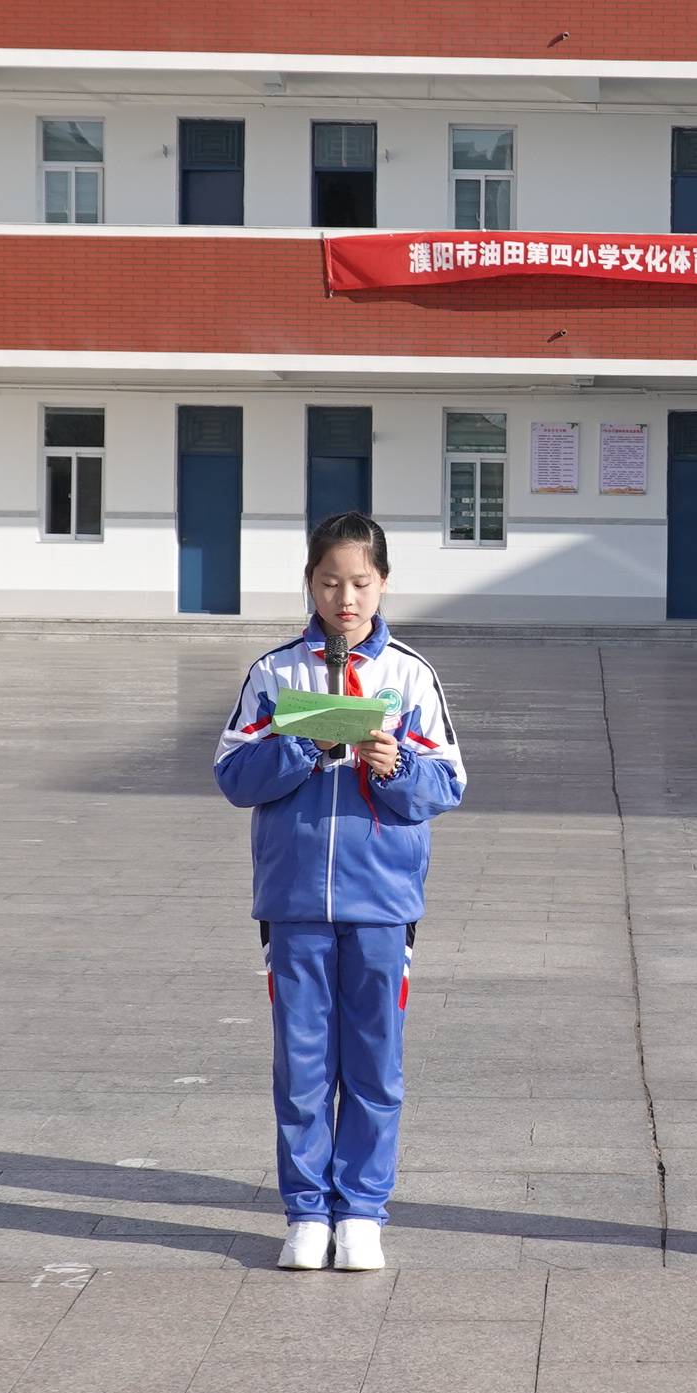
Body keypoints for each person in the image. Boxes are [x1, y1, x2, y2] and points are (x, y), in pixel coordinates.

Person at [212, 512, 467, 1273]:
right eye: (330, 582)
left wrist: (393, 768)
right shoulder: (274, 672)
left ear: (383, 583)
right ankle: (306, 1213)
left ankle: (361, 1210)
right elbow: (233, 774)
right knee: (301, 1062)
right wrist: (302, 747)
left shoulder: (411, 676)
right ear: (310, 584)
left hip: (383, 904)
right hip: (293, 902)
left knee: (375, 1063)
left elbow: (447, 783)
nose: (345, 597)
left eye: (360, 582)